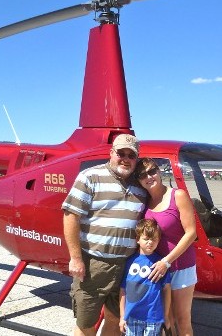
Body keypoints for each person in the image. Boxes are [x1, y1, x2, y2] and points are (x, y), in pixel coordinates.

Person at [62, 134, 148, 336]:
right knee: (86, 322)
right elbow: (70, 216)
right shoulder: (90, 177)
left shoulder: (140, 186)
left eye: (131, 155)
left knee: (116, 318)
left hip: (126, 264)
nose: (125, 159)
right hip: (94, 265)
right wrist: (75, 258)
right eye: (121, 153)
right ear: (111, 153)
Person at [135, 158, 197, 336]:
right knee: (165, 319)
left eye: (152, 171)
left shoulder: (177, 195)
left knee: (182, 320)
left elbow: (191, 233)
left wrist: (166, 262)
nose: (149, 176)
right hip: (157, 269)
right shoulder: (145, 200)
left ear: (159, 171)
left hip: (180, 266)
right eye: (142, 175)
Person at [119, 219, 172, 336]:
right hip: (132, 315)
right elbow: (123, 290)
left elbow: (167, 289)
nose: (150, 242)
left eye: (153, 239)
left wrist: (166, 315)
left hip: (153, 316)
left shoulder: (160, 264)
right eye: (146, 239)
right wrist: (122, 316)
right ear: (138, 240)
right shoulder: (130, 262)